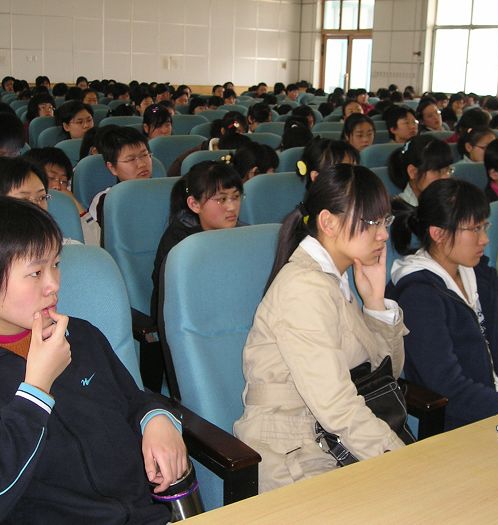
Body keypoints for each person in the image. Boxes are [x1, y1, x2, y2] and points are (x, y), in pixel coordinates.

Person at [0, 197, 186, 524]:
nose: (54, 285)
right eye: (35, 272)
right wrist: (36, 390)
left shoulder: (80, 335)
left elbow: (132, 400)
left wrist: (157, 420)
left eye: (56, 265)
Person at [234, 163, 407, 492]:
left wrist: (374, 303)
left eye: (385, 221)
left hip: (330, 437)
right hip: (293, 450)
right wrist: (402, 461)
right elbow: (336, 406)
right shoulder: (305, 287)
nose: (383, 235)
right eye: (371, 222)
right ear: (328, 222)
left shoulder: (333, 279)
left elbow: (385, 376)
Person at [387, 178, 498, 430]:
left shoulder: (482, 275)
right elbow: (448, 387)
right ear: (438, 233)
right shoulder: (418, 295)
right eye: (474, 229)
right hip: (466, 417)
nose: (485, 239)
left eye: (484, 226)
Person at [150, 161, 244, 319]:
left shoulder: (246, 235)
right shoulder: (180, 245)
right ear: (194, 204)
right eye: (221, 199)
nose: (232, 207)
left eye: (235, 197)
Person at [23, 147, 102, 245]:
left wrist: (75, 204)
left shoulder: (67, 212)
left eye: (63, 181)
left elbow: (97, 245)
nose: (57, 186)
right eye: (51, 178)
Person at [90, 127, 153, 224]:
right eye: (131, 159)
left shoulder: (167, 192)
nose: (142, 164)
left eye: (144, 155)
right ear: (112, 168)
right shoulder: (107, 200)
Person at [388, 134, 453, 206]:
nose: (446, 177)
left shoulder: (449, 200)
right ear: (413, 172)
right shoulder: (399, 209)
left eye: (448, 170)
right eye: (437, 171)